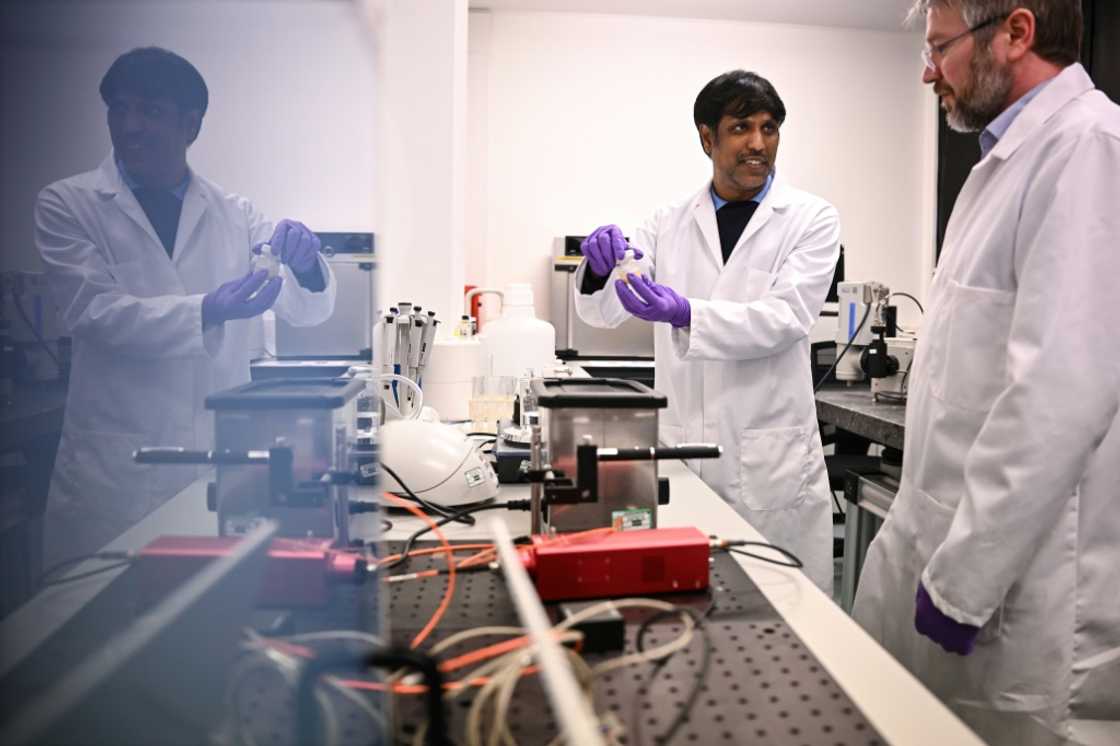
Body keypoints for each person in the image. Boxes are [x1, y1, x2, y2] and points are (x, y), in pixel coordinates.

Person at [850, 2, 1120, 743]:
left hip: (1019, 600)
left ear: (1016, 31)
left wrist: (964, 583)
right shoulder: (1001, 163)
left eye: (940, 47)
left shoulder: (1090, 150)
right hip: (945, 558)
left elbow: (1059, 393)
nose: (927, 70)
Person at [35, 47, 337, 566]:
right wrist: (207, 310)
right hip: (115, 473)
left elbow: (306, 309)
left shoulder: (236, 214)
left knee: (207, 616)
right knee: (95, 624)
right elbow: (94, 313)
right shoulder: (67, 204)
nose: (130, 125)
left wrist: (306, 262)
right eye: (119, 108)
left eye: (150, 110)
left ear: (190, 125)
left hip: (214, 460)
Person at [574, 71, 840, 592]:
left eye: (769, 127)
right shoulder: (667, 220)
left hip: (768, 459)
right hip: (682, 449)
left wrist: (687, 314)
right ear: (707, 137)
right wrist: (604, 268)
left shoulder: (811, 219)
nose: (758, 143)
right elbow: (604, 312)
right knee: (677, 607)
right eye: (741, 127)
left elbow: (785, 318)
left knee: (783, 617)